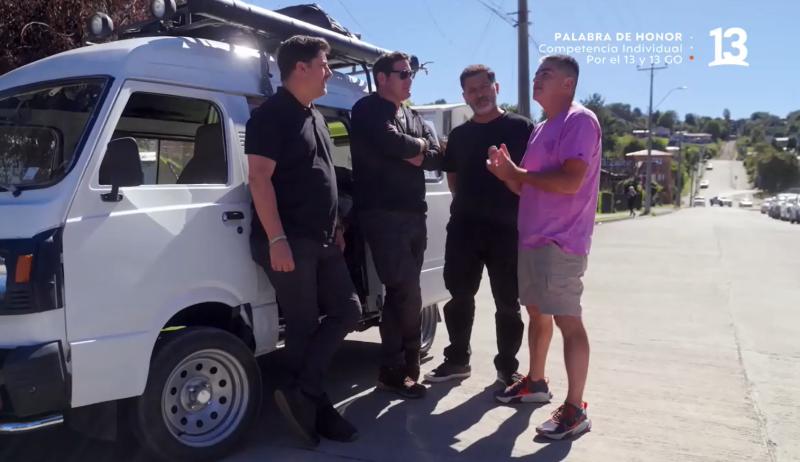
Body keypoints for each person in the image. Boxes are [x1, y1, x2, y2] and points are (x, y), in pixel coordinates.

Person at [245, 35, 361, 447]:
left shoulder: (313, 114)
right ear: (301, 68)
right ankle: (316, 406)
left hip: (324, 238)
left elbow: (323, 174)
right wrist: (276, 239)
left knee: (348, 311)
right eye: (324, 64)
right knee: (303, 324)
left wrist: (339, 228)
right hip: (289, 238)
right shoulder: (271, 115)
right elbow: (258, 178)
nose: (330, 71)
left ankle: (305, 392)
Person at [487, 54, 601, 440]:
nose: (536, 79)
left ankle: (575, 408)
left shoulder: (579, 121)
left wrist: (518, 174)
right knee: (537, 313)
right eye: (536, 73)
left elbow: (571, 182)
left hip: (561, 239)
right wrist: (507, 175)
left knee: (568, 320)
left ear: (567, 84)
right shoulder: (541, 129)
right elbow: (525, 185)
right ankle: (535, 382)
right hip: (532, 237)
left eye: (546, 74)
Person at [423, 65, 532, 387]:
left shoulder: (522, 127)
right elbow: (453, 177)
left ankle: (507, 368)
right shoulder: (459, 135)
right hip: (464, 230)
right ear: (464, 96)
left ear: (496, 87)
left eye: (484, 87)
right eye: (472, 91)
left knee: (508, 303)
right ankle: (457, 360)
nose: (479, 95)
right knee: (459, 297)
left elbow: (532, 177)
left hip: (508, 229)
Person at [350, 51, 443, 399]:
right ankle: (407, 368)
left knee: (400, 294)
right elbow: (390, 141)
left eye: (411, 73)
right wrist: (417, 148)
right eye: (403, 73)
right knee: (407, 291)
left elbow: (437, 156)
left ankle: (392, 369)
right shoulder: (367, 109)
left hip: (414, 213)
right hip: (382, 214)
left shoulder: (413, 115)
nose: (409, 79)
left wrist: (416, 149)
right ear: (382, 78)